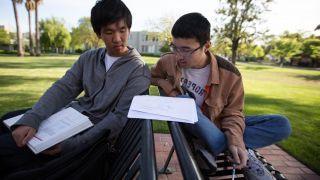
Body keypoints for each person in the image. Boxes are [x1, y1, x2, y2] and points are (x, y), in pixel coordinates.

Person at [0, 0, 150, 177]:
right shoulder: (89, 58)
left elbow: (117, 119)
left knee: (6, 149)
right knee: (8, 122)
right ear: (98, 33)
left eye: (122, 30)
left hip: (90, 139)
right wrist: (33, 118)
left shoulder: (138, 70)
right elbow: (63, 88)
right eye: (109, 32)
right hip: (67, 119)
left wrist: (70, 145)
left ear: (129, 29)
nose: (117, 38)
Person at [151, 12, 291, 179]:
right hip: (191, 125)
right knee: (185, 104)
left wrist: (235, 139)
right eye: (175, 47)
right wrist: (170, 89)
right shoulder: (168, 61)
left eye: (186, 50)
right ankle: (239, 152)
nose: (179, 55)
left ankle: (214, 146)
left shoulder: (230, 74)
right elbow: (153, 76)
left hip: (216, 124)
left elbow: (233, 113)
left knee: (282, 124)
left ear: (207, 45)